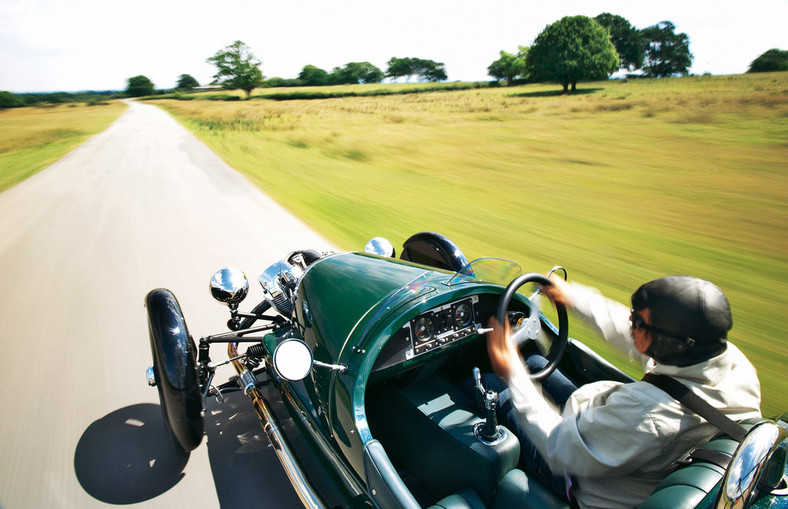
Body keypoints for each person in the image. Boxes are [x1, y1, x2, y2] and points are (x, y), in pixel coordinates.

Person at [485, 274, 762, 509]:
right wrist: (573, 298)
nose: (631, 324)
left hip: (580, 474)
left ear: (668, 343)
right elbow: (636, 339)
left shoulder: (649, 415)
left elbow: (559, 447)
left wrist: (511, 373)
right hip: (614, 442)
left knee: (489, 385)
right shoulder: (731, 365)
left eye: (638, 322)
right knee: (534, 363)